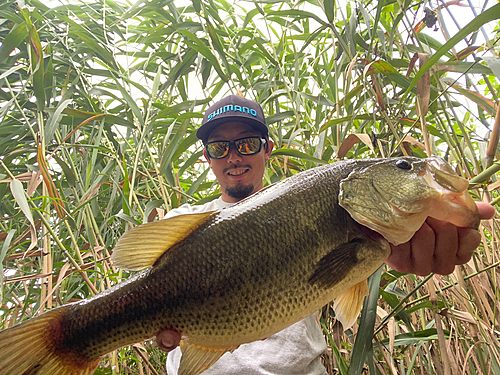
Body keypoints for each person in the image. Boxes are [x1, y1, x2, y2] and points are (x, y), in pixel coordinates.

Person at [157, 95, 496, 374]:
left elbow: (358, 263)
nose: (233, 156)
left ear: (267, 148)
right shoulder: (182, 225)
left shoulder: (323, 208)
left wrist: (415, 237)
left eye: (246, 144)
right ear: (206, 157)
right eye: (219, 148)